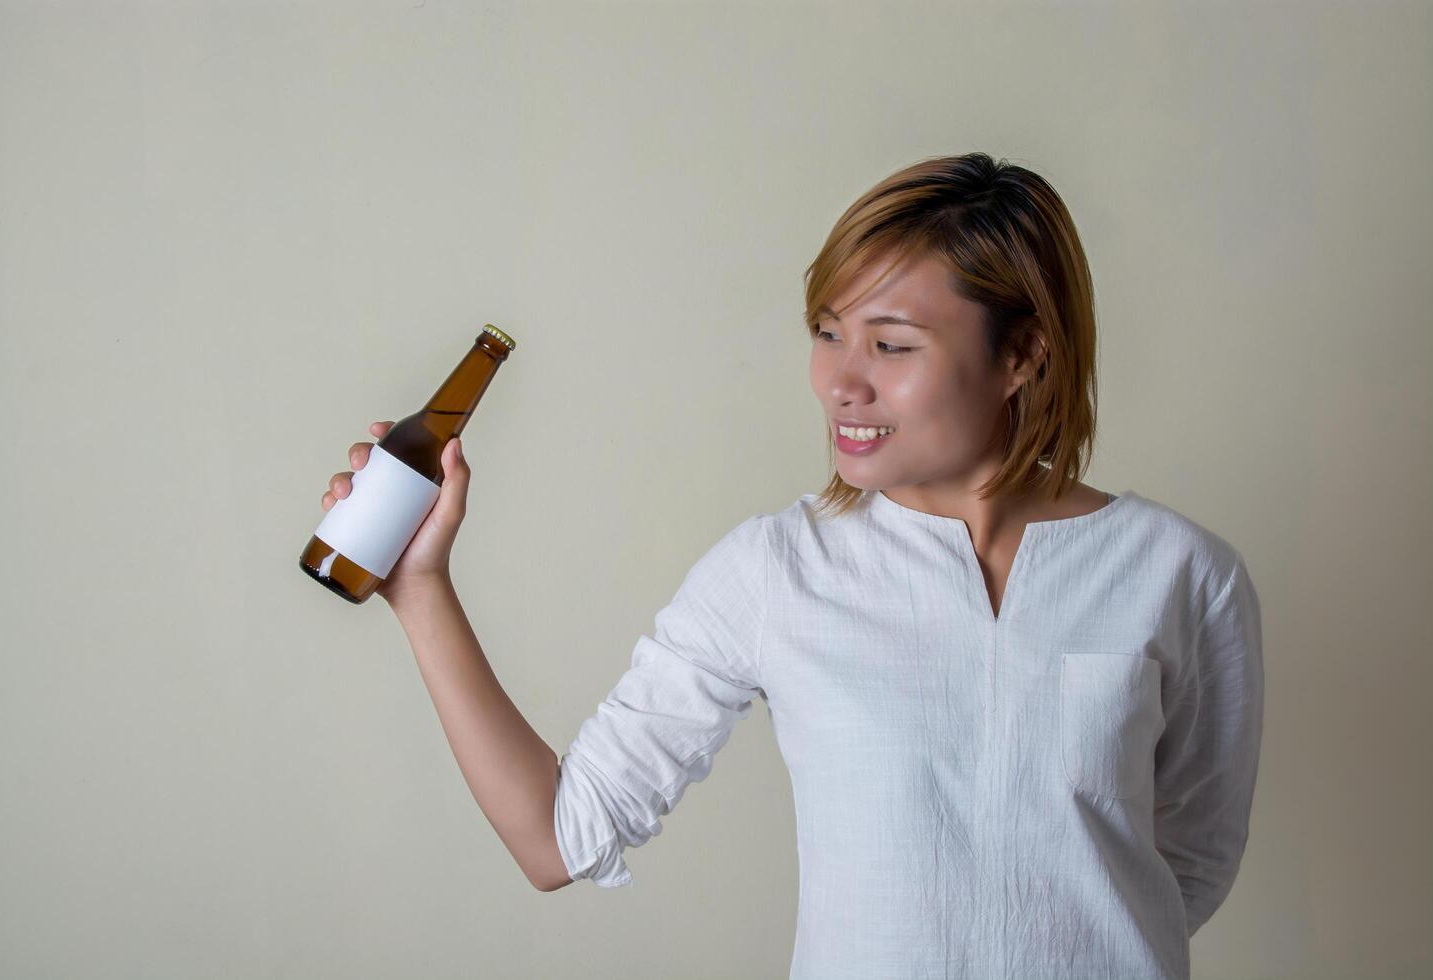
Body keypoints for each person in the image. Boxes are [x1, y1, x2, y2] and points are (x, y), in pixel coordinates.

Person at [319, 152, 1264, 980]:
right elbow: (557, 836)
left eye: (892, 345)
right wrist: (422, 588)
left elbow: (1188, 865)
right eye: (826, 330)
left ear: (1023, 353)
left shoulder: (1182, 575)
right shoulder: (777, 570)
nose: (840, 381)